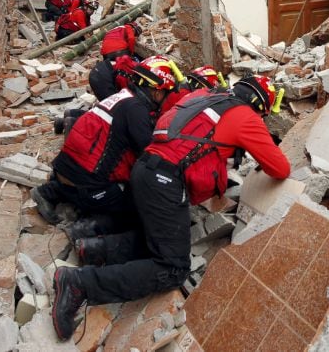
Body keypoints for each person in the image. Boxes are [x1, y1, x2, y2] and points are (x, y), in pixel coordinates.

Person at [50, 75, 290, 340]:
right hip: (166, 180)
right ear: (259, 104)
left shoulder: (202, 97)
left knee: (164, 237)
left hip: (144, 169)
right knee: (172, 268)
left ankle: (99, 249)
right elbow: (280, 168)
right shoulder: (245, 116)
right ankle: (79, 284)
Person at [31, 56, 182, 225]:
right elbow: (148, 153)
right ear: (157, 91)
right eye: (165, 94)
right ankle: (85, 227)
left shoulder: (124, 96)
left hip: (67, 168)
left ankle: (53, 191)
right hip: (86, 181)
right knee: (135, 206)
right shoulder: (136, 110)